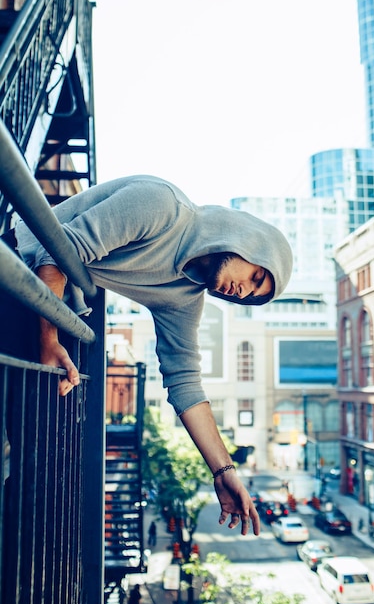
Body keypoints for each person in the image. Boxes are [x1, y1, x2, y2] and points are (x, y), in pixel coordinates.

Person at [1, 175, 293, 536]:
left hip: (44, 307)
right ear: (247, 240)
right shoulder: (162, 207)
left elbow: (185, 382)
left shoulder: (185, 298)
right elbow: (58, 250)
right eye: (256, 276)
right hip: (14, 264)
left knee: (23, 453)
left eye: (251, 295)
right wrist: (48, 342)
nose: (243, 291)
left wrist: (223, 472)